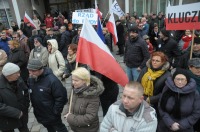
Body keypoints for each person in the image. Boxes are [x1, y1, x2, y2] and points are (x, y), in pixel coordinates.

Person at [27, 58, 68, 132]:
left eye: (33, 71)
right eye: (29, 70)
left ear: (40, 69)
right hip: (40, 112)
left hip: (52, 114)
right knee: (49, 128)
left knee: (60, 128)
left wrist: (56, 111)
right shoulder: (31, 78)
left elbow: (61, 97)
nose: (30, 73)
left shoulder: (53, 80)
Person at [64, 67, 104, 132]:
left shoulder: (93, 96)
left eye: (76, 80)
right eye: (72, 80)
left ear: (85, 80)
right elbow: (69, 103)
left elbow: (89, 117)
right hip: (75, 127)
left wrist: (70, 118)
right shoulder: (75, 89)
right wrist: (66, 112)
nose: (73, 83)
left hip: (88, 129)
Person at [137, 51, 171, 116]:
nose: (154, 62)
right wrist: (142, 97)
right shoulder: (145, 70)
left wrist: (150, 100)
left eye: (157, 61)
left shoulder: (167, 75)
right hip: (141, 99)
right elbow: (138, 84)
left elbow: (165, 93)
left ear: (163, 62)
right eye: (153, 60)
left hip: (157, 104)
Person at [0, 63, 29, 132]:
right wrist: (16, 113)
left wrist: (26, 105)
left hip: (22, 115)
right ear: (8, 75)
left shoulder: (19, 79)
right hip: (7, 119)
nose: (19, 75)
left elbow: (25, 92)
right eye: (16, 73)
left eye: (19, 72)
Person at [188, 58, 200, 131]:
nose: (199, 70)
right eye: (197, 68)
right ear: (190, 67)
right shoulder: (186, 79)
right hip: (192, 110)